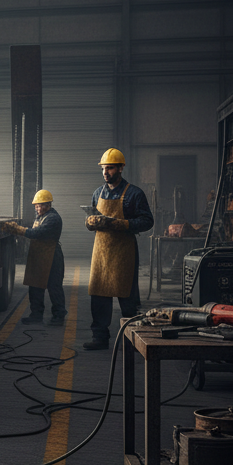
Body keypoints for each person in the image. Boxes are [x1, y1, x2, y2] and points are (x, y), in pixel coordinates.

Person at [84, 148, 154, 350]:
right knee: (99, 296)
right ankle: (100, 338)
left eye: (110, 168)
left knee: (128, 299)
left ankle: (133, 340)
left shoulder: (134, 193)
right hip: (101, 254)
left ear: (121, 168)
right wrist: (90, 222)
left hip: (124, 254)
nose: (106, 172)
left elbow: (147, 221)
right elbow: (91, 219)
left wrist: (123, 224)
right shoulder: (98, 193)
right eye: (104, 168)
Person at [4, 189, 66, 327]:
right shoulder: (41, 216)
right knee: (35, 287)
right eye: (36, 206)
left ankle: (58, 316)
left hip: (52, 258)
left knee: (54, 287)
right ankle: (36, 315)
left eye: (39, 206)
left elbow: (38, 233)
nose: (37, 208)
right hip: (39, 257)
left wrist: (19, 230)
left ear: (48, 204)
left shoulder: (53, 218)